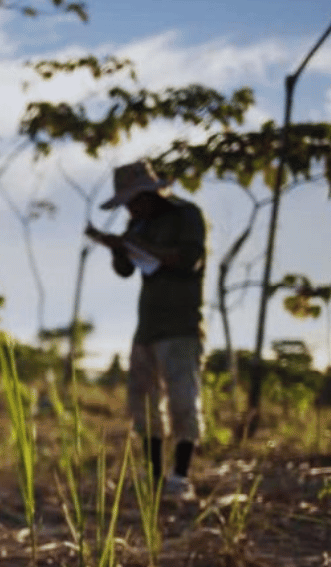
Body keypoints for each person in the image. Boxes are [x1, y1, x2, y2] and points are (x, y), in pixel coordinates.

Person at [86, 159, 207, 502]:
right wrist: (117, 248)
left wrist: (140, 247)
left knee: (183, 401)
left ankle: (180, 476)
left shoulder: (185, 215)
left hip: (181, 325)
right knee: (144, 401)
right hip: (147, 328)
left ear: (150, 192)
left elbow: (188, 259)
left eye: (134, 200)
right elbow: (125, 271)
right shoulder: (136, 226)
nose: (131, 208)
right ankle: (153, 478)